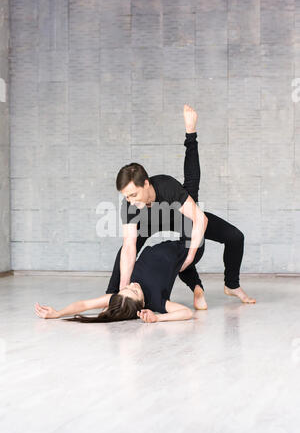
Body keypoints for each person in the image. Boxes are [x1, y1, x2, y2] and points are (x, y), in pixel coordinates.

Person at [35, 106, 255, 324]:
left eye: (133, 194)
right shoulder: (130, 205)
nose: (129, 201)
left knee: (232, 236)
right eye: (126, 196)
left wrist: (188, 259)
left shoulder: (167, 187)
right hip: (149, 225)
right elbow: (130, 246)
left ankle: (230, 285)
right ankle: (116, 298)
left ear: (146, 184)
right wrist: (122, 288)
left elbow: (200, 220)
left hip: (181, 219)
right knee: (126, 250)